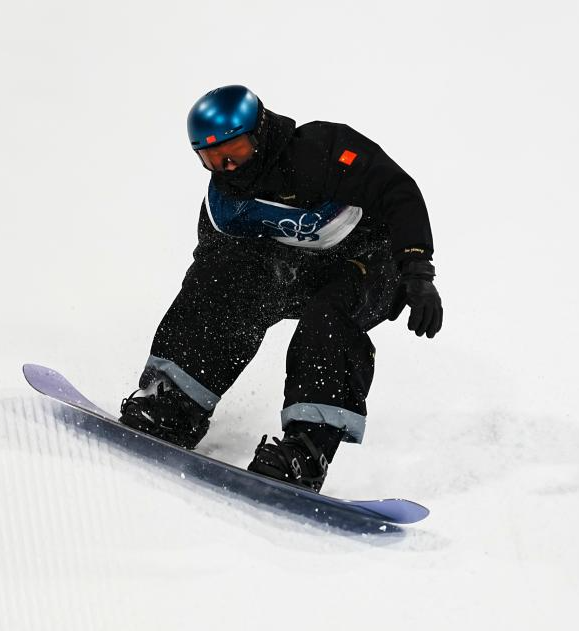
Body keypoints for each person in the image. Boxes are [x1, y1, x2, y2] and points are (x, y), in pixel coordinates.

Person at [118, 85, 443, 492]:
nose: (228, 167)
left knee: (327, 316)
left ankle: (306, 449)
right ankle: (178, 403)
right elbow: (213, 274)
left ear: (259, 133)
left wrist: (418, 271)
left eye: (235, 151)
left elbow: (396, 190)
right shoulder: (224, 204)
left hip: (371, 265)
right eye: (213, 159)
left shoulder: (320, 150)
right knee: (219, 278)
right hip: (297, 272)